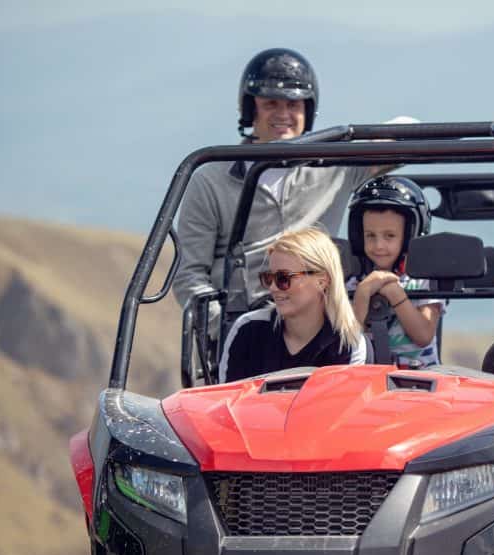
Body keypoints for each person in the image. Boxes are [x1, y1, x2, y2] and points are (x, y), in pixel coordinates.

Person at [173, 48, 384, 309]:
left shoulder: (334, 166)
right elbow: (189, 276)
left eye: (293, 105)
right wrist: (225, 332)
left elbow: (403, 135)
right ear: (251, 110)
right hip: (242, 321)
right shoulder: (210, 180)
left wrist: (340, 139)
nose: (283, 114)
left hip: (319, 320)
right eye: (270, 103)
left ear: (308, 111)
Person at [218, 227, 367, 382]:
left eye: (284, 278)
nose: (273, 288)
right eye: (269, 278)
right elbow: (226, 400)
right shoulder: (247, 329)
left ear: (322, 280)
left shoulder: (349, 343)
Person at [345, 176, 445, 368]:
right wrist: (363, 294)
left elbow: (423, 335)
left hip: (420, 380)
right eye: (370, 236)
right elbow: (349, 341)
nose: (379, 245)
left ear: (410, 236)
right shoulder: (353, 284)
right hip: (367, 379)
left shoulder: (425, 281)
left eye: (389, 236)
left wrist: (395, 294)